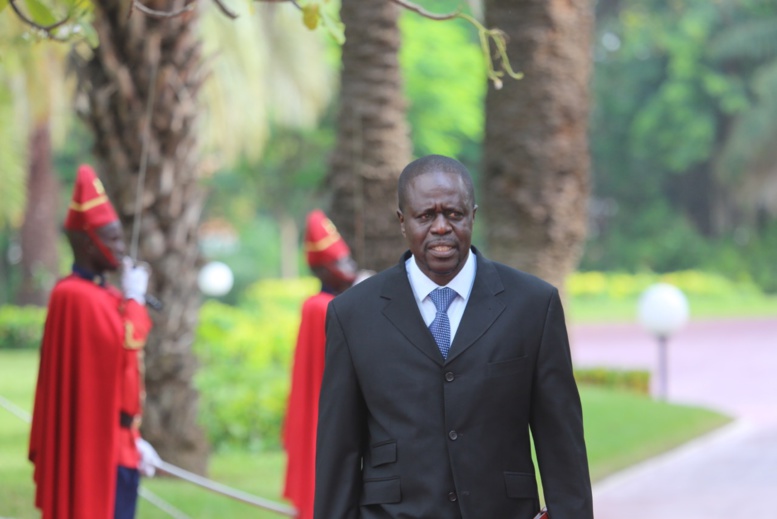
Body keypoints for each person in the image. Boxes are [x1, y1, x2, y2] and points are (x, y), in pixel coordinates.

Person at [314, 155, 593, 519]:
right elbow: (339, 452)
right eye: (426, 216)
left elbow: (562, 446)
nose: (441, 227)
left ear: (472, 215)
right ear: (402, 221)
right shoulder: (352, 315)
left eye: (454, 214)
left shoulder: (533, 305)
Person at [29, 164, 160, 519]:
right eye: (112, 239)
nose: (120, 248)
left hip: (119, 443)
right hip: (96, 446)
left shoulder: (102, 294)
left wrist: (133, 438)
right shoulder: (77, 296)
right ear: (89, 243)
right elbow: (127, 340)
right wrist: (134, 300)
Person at [282, 209, 359, 519]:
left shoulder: (332, 304)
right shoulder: (320, 307)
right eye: (339, 262)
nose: (349, 267)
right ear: (324, 270)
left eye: (347, 259)